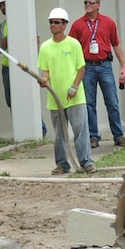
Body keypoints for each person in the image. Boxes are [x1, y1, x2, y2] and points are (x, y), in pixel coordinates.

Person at [34, 9, 92, 174]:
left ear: (65, 24)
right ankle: (62, 164)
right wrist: (44, 80)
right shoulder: (45, 47)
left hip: (75, 97)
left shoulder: (73, 44)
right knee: (59, 134)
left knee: (80, 130)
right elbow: (45, 71)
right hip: (55, 98)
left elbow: (81, 68)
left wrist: (74, 86)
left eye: (57, 22)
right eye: (51, 22)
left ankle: (86, 162)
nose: (53, 25)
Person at [75, 0, 125, 149]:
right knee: (89, 103)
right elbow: (73, 47)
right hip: (87, 66)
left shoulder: (108, 22)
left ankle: (118, 135)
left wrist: (123, 66)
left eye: (91, 3)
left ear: (98, 5)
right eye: (85, 2)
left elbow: (116, 44)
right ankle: (93, 136)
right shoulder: (78, 25)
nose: (87, 5)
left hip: (105, 64)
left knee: (112, 101)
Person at [0, 0, 10, 108]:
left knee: (28, 101)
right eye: (0, 5)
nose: (2, 7)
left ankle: (41, 128)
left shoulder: (24, 20)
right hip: (7, 68)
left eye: (4, 4)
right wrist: (8, 37)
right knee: (11, 103)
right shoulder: (2, 26)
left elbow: (35, 41)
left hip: (23, 68)